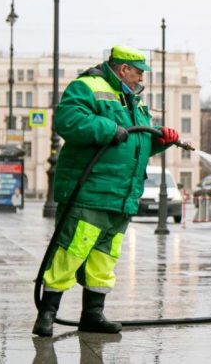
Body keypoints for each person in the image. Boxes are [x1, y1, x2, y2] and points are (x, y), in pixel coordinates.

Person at [32, 46, 180, 337]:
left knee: (104, 257)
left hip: (121, 195)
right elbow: (68, 121)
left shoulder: (134, 102)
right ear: (123, 69)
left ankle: (93, 315)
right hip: (90, 192)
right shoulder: (86, 86)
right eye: (138, 71)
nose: (141, 77)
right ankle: (47, 314)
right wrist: (108, 128)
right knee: (70, 252)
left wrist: (161, 139)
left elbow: (136, 143)